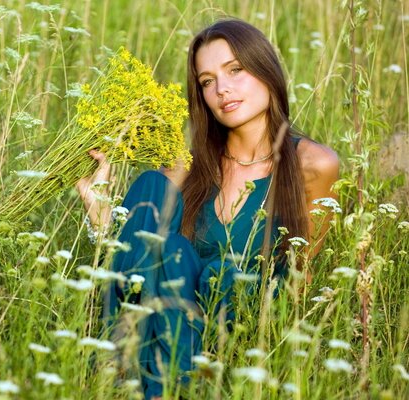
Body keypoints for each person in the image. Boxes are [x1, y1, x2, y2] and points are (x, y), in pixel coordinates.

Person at [77, 19, 339, 399]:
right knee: (155, 196)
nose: (222, 89)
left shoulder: (313, 164)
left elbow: (302, 280)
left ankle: (148, 377)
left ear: (266, 69)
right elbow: (141, 259)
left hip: (239, 323)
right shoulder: (189, 165)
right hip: (169, 319)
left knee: (223, 271)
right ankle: (143, 371)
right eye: (207, 81)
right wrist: (100, 210)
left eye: (235, 70)